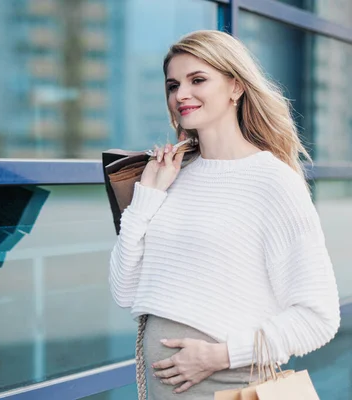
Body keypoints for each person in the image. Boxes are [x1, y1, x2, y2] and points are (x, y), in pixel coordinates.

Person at [108, 30, 341, 399]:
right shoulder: (169, 177)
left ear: (235, 87)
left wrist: (219, 356)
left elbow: (319, 317)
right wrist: (147, 195)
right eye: (172, 85)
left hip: (231, 386)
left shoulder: (273, 181)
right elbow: (124, 291)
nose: (181, 94)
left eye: (197, 80)